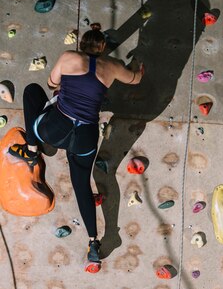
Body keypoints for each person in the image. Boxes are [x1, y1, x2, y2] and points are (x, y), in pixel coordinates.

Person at [8, 23, 144, 265]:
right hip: (84, 139)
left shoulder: (69, 57)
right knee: (81, 185)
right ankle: (93, 241)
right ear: (102, 48)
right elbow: (134, 79)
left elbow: (51, 85)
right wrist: (139, 70)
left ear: (81, 45)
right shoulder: (111, 66)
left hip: (54, 129)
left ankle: (31, 149)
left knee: (31, 91)